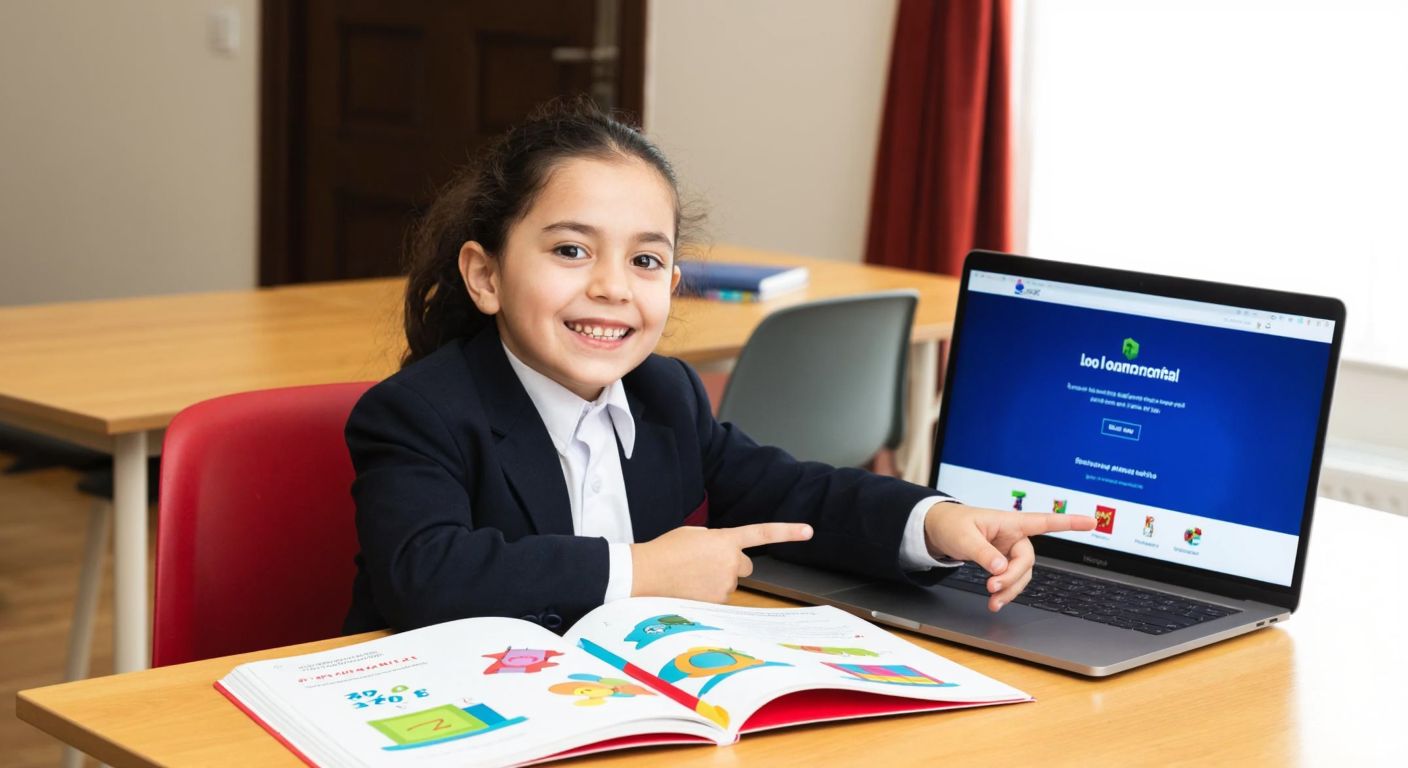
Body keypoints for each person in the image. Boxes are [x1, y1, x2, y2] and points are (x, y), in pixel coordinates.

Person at [342, 100, 1094, 634]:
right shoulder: (420, 412)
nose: (610, 286)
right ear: (486, 276)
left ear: (670, 288)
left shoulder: (663, 393)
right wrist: (642, 572)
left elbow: (793, 492)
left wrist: (935, 521)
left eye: (644, 260)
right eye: (571, 250)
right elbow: (427, 573)